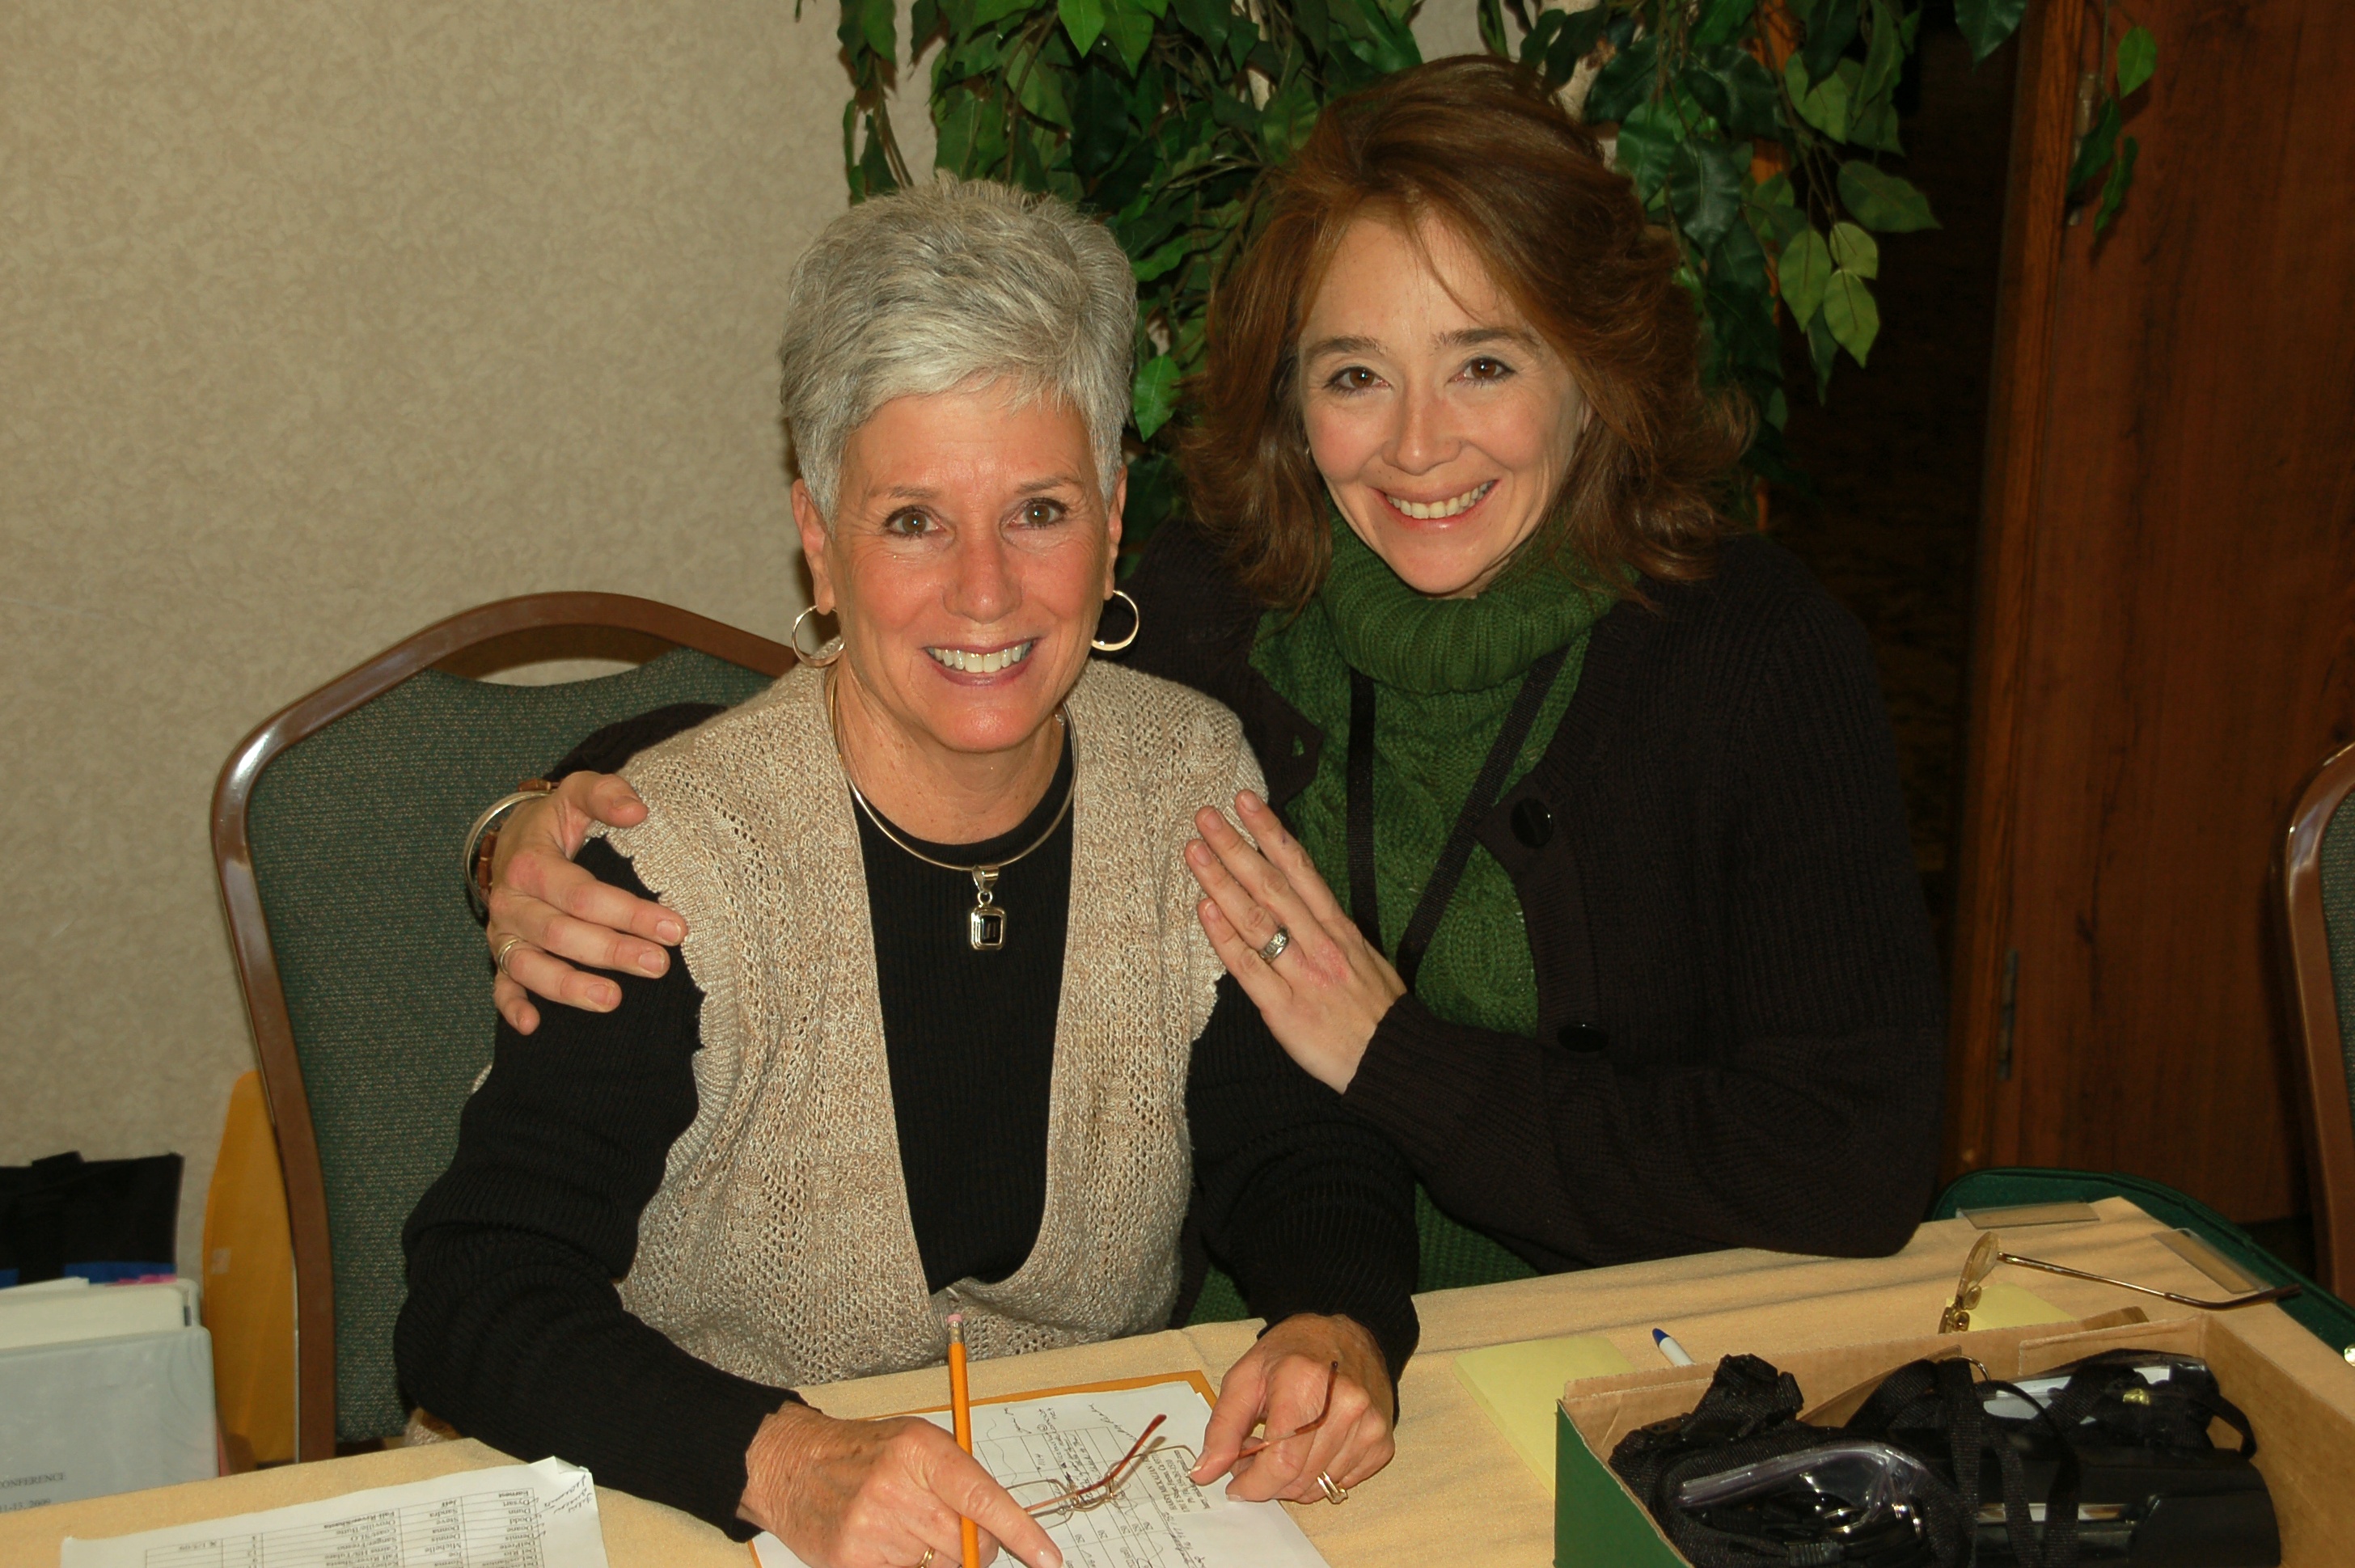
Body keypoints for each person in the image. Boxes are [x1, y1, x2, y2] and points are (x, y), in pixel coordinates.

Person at [479, 59, 1943, 1291]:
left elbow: (1854, 1161)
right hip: (1253, 1380)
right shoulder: (1220, 610)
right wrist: (543, 821)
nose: (1418, 444)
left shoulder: (1749, 660)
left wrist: (1394, 1059)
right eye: (1356, 374)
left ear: (1594, 370)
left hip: (1619, 1366)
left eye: (1485, 364)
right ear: (1294, 399)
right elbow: (918, 694)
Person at [398, 180, 1417, 1568]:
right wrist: (782, 1462)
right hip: (681, 1515)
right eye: (914, 522)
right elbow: (474, 1294)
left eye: (1040, 511)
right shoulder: (674, 863)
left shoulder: (1191, 781)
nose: (986, 592)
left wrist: (1337, 1323)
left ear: (1116, 516)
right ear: (819, 539)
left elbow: (1301, 1144)